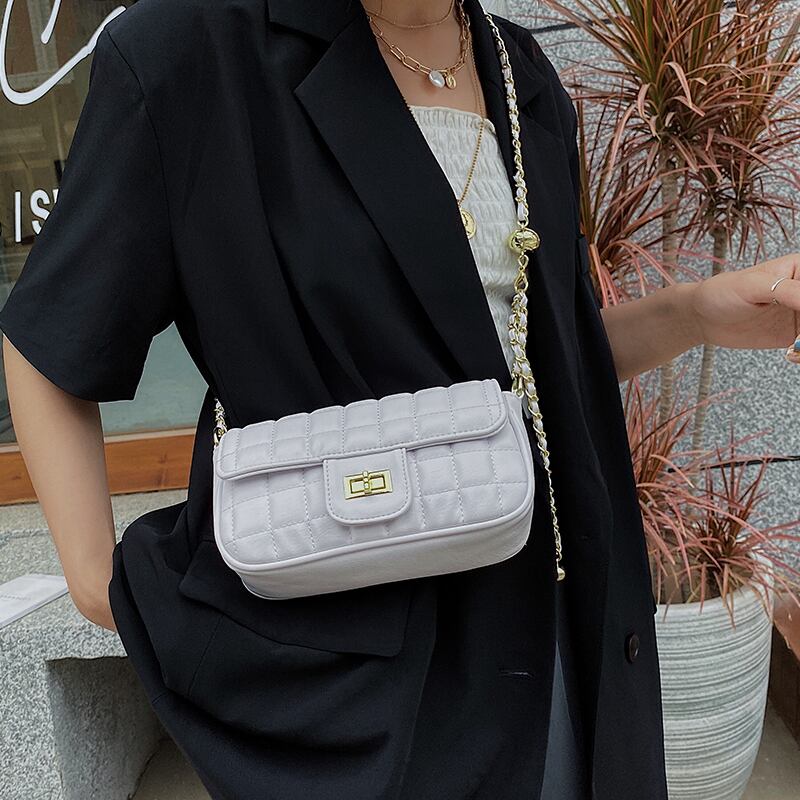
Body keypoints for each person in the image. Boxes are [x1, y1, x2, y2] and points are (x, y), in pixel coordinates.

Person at [1, 1, 798, 798]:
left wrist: (697, 313)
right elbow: (50, 340)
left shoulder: (519, 73)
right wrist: (99, 583)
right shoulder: (191, 53)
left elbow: (540, 364)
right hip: (353, 690)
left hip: (553, 630)